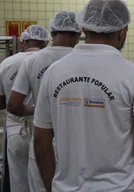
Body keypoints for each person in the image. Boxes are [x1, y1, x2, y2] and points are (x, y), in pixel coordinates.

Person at [31, 0, 134, 192]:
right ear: (123, 32)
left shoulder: (53, 72)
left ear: (84, 28)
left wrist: (51, 187)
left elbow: (40, 140)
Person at [7, 11, 82, 192]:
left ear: (52, 32)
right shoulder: (85, 60)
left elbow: (13, 105)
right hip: (79, 145)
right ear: (79, 33)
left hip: (43, 143)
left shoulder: (33, 61)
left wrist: (39, 109)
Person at [0, 25, 51, 192]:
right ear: (46, 42)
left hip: (16, 129)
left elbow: (3, 103)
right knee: (45, 181)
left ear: (23, 42)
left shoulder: (6, 63)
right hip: (46, 131)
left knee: (19, 182)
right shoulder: (52, 62)